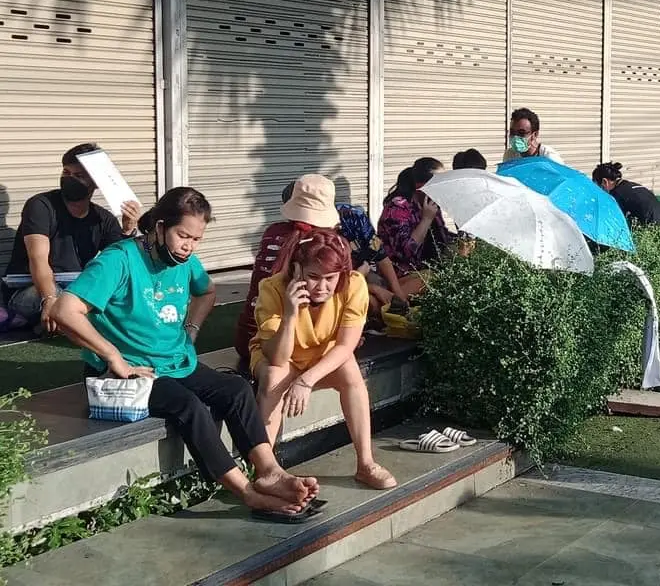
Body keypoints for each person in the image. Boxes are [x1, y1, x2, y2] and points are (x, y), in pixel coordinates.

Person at [50, 187, 321, 521]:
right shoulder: (118, 259)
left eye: (196, 239)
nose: (189, 246)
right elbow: (65, 310)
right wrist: (112, 356)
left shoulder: (185, 261)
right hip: (128, 371)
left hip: (174, 360)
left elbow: (206, 291)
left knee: (236, 389)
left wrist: (191, 330)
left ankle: (269, 473)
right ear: (160, 227)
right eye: (183, 236)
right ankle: (246, 492)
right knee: (188, 405)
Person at [250, 228, 397, 490]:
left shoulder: (353, 284)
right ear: (297, 270)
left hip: (322, 355)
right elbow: (277, 357)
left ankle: (366, 463)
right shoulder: (272, 288)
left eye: (330, 278)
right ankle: (264, 470)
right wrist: (290, 314)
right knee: (273, 377)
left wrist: (305, 381)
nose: (322, 287)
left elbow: (346, 346)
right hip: (281, 354)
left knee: (350, 371)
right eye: (313, 277)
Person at [233, 175, 407, 375]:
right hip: (281, 345)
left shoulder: (272, 232)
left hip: (247, 335)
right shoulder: (317, 246)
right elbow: (324, 296)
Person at [3, 143, 141, 333]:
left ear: (96, 182)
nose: (69, 179)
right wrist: (49, 299)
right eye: (66, 172)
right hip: (32, 290)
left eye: (79, 175)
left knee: (120, 296)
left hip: (75, 289)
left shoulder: (103, 218)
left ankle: (65, 323)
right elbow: (38, 259)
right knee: (67, 303)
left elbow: (119, 265)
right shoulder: (41, 206)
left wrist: (128, 229)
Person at [378, 158, 456, 295]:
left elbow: (442, 237)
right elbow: (406, 252)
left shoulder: (431, 204)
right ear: (421, 186)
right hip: (401, 277)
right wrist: (426, 220)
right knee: (434, 278)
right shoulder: (397, 208)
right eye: (438, 183)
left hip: (429, 268)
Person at [591, 162, 660, 228]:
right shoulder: (629, 185)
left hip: (650, 226)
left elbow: (615, 220)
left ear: (604, 182)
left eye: (598, 187)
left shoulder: (617, 194)